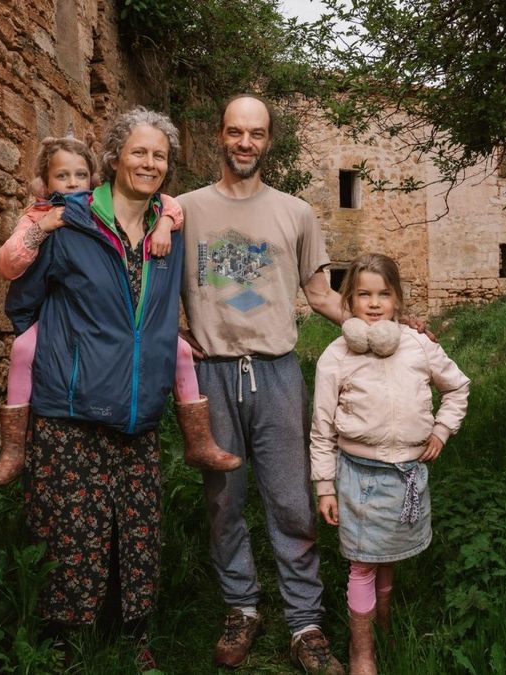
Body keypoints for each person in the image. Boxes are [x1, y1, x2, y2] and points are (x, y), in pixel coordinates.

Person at [3, 107, 191, 668]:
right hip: (71, 410)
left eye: (159, 155)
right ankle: (64, 645)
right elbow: (23, 303)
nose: (149, 163)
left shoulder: (170, 229)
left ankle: (133, 638)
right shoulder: (70, 220)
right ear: (113, 157)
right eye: (139, 152)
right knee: (69, 531)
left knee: (138, 529)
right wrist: (65, 361)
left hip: (139, 409)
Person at [177, 94, 347, 674]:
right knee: (223, 500)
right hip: (211, 374)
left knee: (292, 499)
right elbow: (155, 281)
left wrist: (386, 326)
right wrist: (174, 336)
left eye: (255, 133)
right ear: (219, 135)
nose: (244, 143)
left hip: (276, 372)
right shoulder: (184, 210)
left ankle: (305, 623)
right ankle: (241, 608)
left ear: (269, 140)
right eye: (235, 131)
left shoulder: (296, 213)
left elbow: (321, 295)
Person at [0, 136, 238, 487]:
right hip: (64, 342)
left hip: (131, 393)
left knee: (181, 351)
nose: (72, 184)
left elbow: (170, 204)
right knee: (23, 347)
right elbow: (13, 274)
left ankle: (198, 439)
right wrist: (42, 229)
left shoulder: (114, 216)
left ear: (93, 178)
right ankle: (13, 449)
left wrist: (165, 223)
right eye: (62, 176)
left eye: (80, 175)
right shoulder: (42, 216)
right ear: (45, 182)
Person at [309, 254, 470, 675]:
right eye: (364, 294)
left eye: (384, 294)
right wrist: (324, 485)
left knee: (388, 557)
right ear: (349, 300)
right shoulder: (335, 356)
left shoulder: (419, 345)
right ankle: (362, 651)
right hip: (359, 477)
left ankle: (384, 625)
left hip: (407, 477)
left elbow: (457, 388)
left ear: (397, 299)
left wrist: (441, 430)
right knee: (363, 562)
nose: (375, 303)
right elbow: (322, 428)